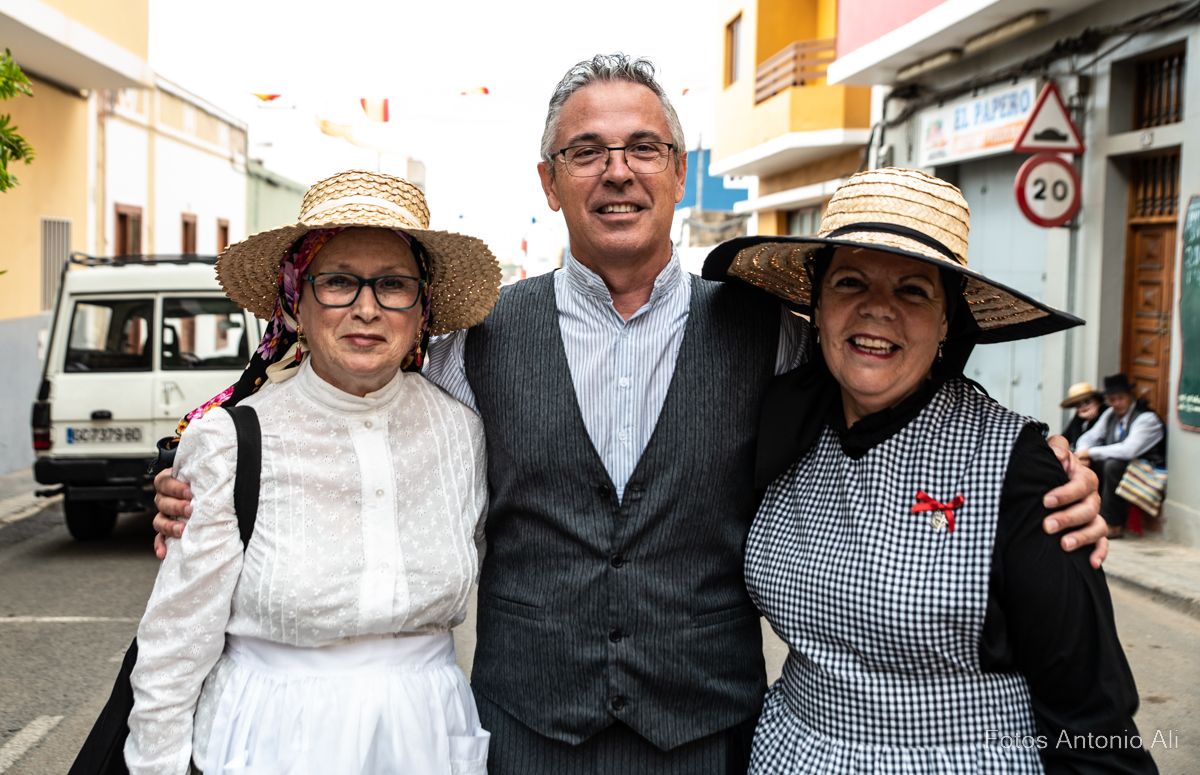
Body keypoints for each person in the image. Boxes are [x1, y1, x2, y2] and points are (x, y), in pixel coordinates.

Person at [153, 56, 1106, 774]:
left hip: (709, 732)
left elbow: (895, 390)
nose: (618, 171)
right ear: (548, 181)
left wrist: (1038, 471)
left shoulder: (771, 334)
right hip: (523, 731)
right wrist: (206, 479)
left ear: (679, 170)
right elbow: (357, 412)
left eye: (643, 148)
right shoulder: (474, 340)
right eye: (587, 152)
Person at [704, 167, 1154, 773]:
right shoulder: (782, 426)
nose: (877, 309)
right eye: (850, 282)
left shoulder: (1018, 468)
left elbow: (1093, 716)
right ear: (817, 304)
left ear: (947, 321)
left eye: (913, 291)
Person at [126, 170, 501, 774]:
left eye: (393, 285)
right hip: (271, 737)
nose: (366, 309)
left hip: (428, 735)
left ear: (421, 310)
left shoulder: (462, 432)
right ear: (295, 304)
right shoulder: (231, 441)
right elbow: (176, 640)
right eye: (338, 282)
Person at [1077, 373, 1167, 538]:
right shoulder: (1110, 414)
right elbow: (1089, 437)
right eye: (1112, 399)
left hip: (1149, 468)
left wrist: (1090, 452)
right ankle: (1090, 514)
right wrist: (1083, 454)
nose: (1117, 403)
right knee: (1091, 463)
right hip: (1126, 463)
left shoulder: (1146, 418)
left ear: (1130, 396)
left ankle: (1113, 524)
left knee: (1112, 465)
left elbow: (1128, 450)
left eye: (1121, 398)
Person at [1060, 381, 1104, 447]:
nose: (1083, 407)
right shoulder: (1078, 418)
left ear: (1097, 401)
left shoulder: (1107, 415)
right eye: (1078, 405)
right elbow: (1064, 438)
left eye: (1087, 402)